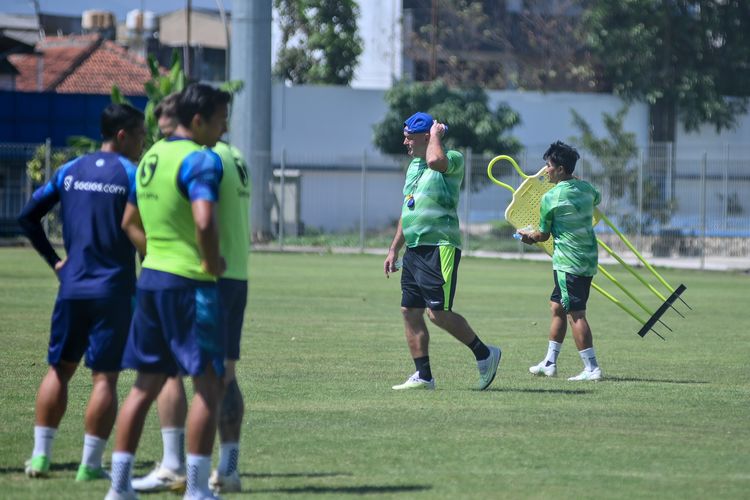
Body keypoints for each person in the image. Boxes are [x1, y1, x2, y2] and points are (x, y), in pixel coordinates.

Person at [105, 83, 231, 500]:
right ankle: (197, 489)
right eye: (219, 119)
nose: (223, 127)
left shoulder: (150, 157)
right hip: (190, 285)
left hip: (152, 281)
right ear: (198, 121)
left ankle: (120, 488)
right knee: (209, 386)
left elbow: (132, 221)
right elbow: (204, 220)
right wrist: (211, 261)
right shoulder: (201, 160)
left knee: (143, 386)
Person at [18, 104, 145, 481]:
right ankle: (90, 465)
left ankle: (40, 457)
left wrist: (55, 261)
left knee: (59, 370)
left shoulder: (69, 171)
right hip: (115, 291)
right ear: (122, 135)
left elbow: (27, 216)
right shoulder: (132, 174)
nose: (143, 143)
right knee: (104, 379)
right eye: (140, 135)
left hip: (72, 288)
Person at [131, 98, 251, 495]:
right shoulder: (232, 155)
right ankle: (226, 468)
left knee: (187, 376)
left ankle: (175, 466)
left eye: (166, 118)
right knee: (218, 375)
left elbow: (198, 218)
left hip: (206, 276)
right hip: (232, 275)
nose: (163, 127)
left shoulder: (200, 157)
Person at [383, 112, 501, 391]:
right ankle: (423, 376)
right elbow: (407, 209)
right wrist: (393, 249)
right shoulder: (413, 167)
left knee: (437, 313)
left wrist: (437, 135)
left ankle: (485, 354)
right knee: (410, 311)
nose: (405, 142)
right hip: (414, 249)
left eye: (410, 137)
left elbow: (436, 160)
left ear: (427, 136)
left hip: (440, 247)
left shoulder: (453, 159)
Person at [517, 140, 603, 381]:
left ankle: (592, 368)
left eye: (549, 166)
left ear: (561, 170)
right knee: (557, 307)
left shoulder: (551, 198)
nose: (546, 170)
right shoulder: (587, 189)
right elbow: (597, 197)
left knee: (576, 313)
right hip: (587, 259)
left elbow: (542, 235)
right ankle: (549, 362)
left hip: (568, 263)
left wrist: (528, 237)